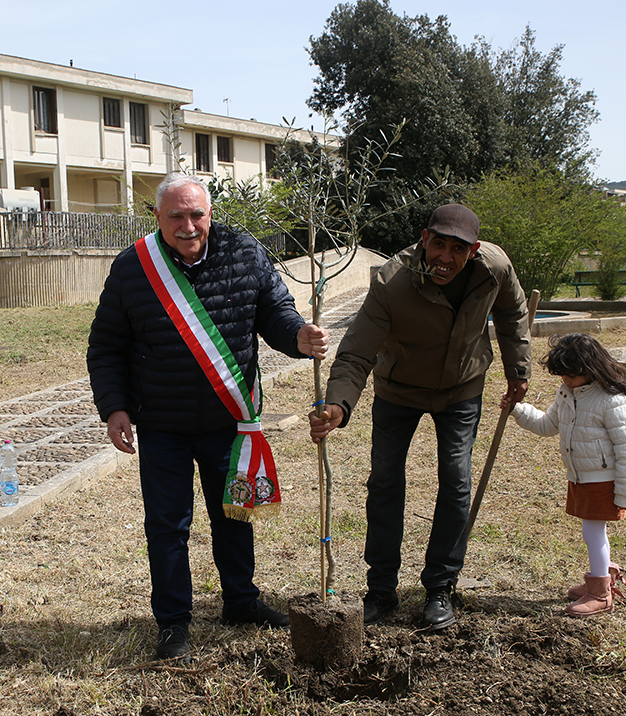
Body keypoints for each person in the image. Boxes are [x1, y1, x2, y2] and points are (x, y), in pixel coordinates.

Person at [87, 173, 328, 662]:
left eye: (197, 213)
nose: (188, 225)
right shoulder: (133, 267)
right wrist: (114, 408)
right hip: (163, 425)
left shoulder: (244, 252)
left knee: (235, 515)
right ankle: (174, 623)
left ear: (210, 213)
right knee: (168, 525)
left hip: (229, 422)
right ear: (157, 217)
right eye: (176, 215)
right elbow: (107, 345)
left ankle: (241, 601)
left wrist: (297, 337)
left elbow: (275, 313)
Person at [309, 204, 530, 630]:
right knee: (386, 481)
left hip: (463, 386)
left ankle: (440, 587)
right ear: (424, 239)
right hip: (400, 389)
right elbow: (357, 350)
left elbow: (512, 312)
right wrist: (337, 404)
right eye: (439, 244)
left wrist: (517, 370)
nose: (445, 257)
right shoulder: (392, 281)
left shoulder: (494, 268)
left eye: (458, 249)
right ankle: (381, 590)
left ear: (474, 250)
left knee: (456, 478)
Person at [502, 333, 626, 616]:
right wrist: (517, 409)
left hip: (602, 478)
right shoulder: (567, 393)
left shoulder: (611, 400)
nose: (565, 381)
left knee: (592, 531)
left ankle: (600, 593)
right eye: (562, 375)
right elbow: (547, 424)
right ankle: (602, 574)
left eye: (570, 375)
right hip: (580, 475)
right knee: (593, 531)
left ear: (590, 369)